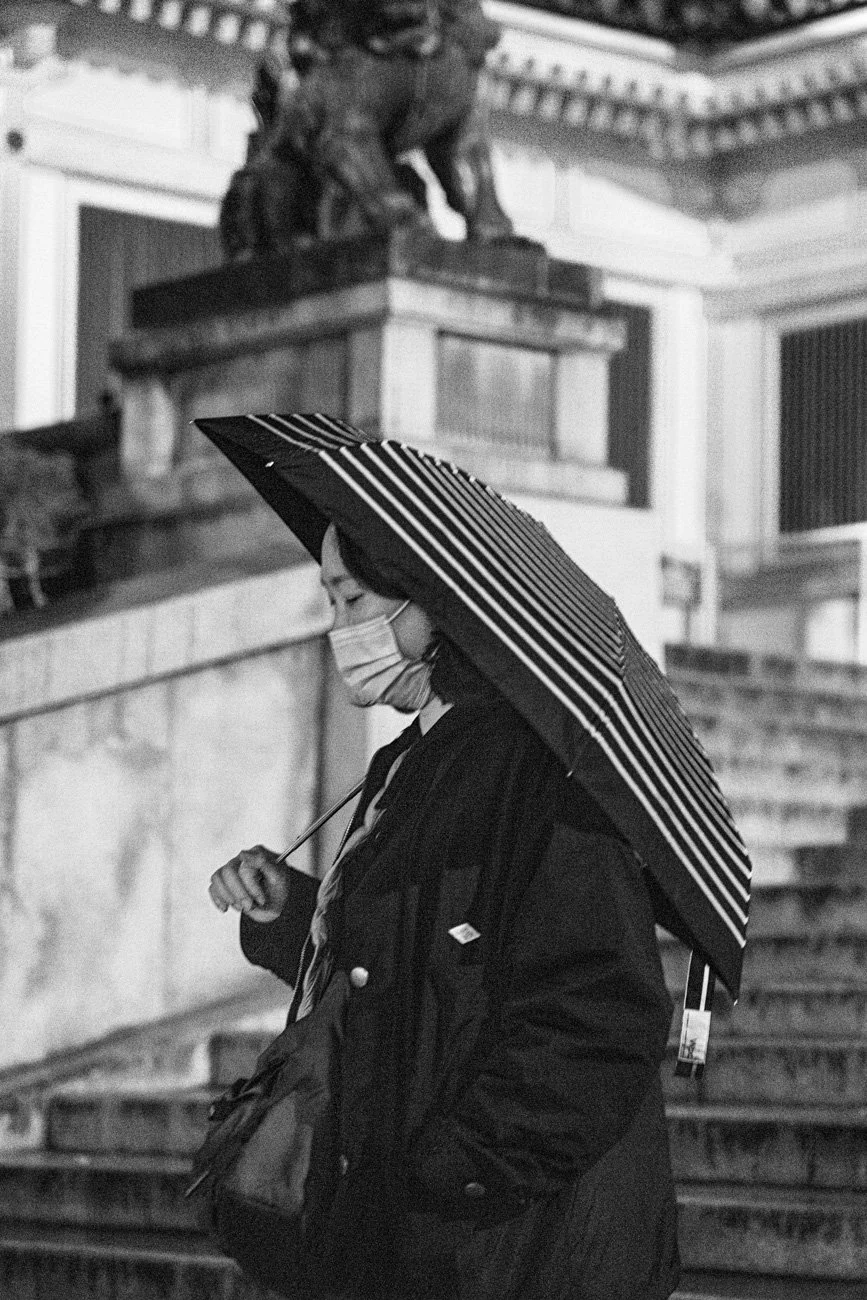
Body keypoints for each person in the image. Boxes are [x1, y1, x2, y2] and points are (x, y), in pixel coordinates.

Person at [208, 522, 681, 1300]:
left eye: (353, 598)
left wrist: (447, 1173)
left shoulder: (537, 769)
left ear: (430, 601)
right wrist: (288, 914)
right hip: (420, 1227)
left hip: (523, 1248)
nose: (339, 629)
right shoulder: (407, 760)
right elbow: (400, 974)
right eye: (329, 602)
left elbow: (600, 1011)